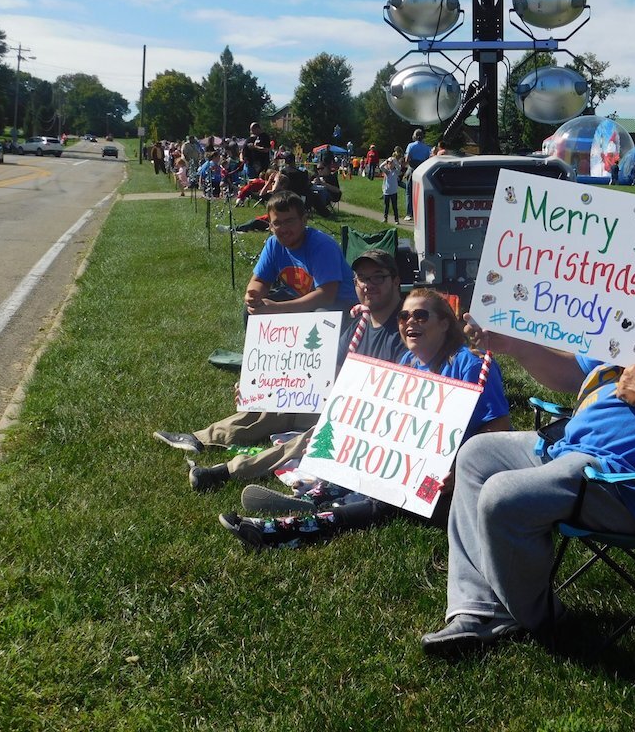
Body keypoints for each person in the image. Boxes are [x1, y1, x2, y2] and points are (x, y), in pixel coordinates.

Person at [418, 197, 635, 655]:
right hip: (579, 456)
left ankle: (542, 620)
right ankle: (478, 608)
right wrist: (514, 343)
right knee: (477, 456)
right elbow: (572, 375)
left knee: (504, 497)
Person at [219, 287, 512, 549]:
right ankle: (311, 501)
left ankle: (280, 529)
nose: (410, 322)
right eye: (404, 317)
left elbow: (499, 429)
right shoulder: (408, 364)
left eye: (421, 316)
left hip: (455, 484)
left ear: (445, 323)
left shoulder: (469, 364)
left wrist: (460, 469)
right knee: (365, 474)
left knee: (383, 501)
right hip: (413, 466)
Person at [156, 250, 407, 490]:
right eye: (362, 278)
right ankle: (201, 438)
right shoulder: (359, 324)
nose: (368, 284)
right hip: (345, 405)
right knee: (279, 404)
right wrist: (261, 389)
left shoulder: (406, 331)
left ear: (396, 281)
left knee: (316, 438)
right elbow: (328, 375)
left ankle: (228, 471)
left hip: (374, 423)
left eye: (378, 277)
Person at [403, 128, 431, 222]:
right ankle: (421, 213)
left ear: (414, 136)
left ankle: (409, 214)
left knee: (409, 192)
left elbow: (407, 159)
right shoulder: (427, 147)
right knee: (421, 192)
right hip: (422, 170)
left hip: (412, 169)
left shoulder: (410, 146)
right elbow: (428, 159)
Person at [380, 156, 401, 224]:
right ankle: (385, 218)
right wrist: (386, 161)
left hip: (394, 192)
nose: (390, 165)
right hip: (387, 192)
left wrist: (395, 161)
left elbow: (399, 167)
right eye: (389, 163)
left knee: (394, 206)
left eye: (392, 163)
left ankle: (396, 219)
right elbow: (381, 166)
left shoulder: (396, 172)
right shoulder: (387, 172)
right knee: (386, 206)